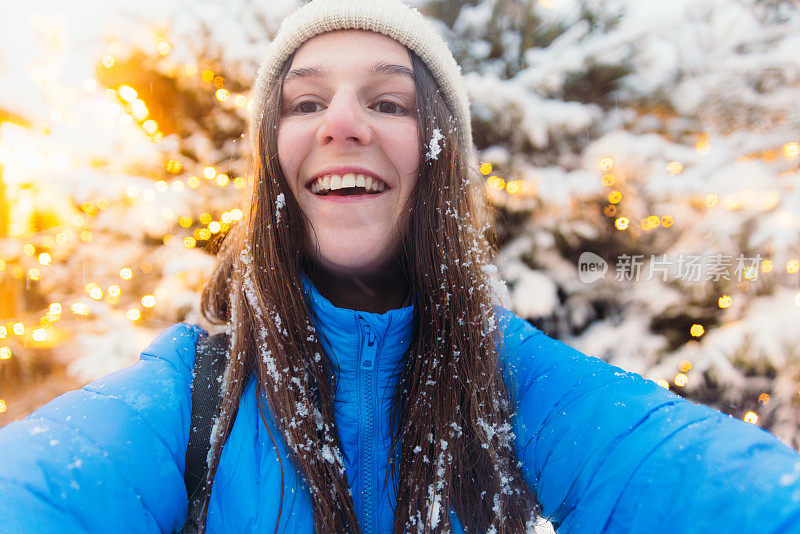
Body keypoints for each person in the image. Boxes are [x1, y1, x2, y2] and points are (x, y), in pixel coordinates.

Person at [2, 0, 800, 532]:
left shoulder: (513, 378)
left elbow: (683, 471)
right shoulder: (188, 392)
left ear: (439, 160)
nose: (342, 122)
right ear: (271, 163)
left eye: (388, 102)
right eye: (305, 103)